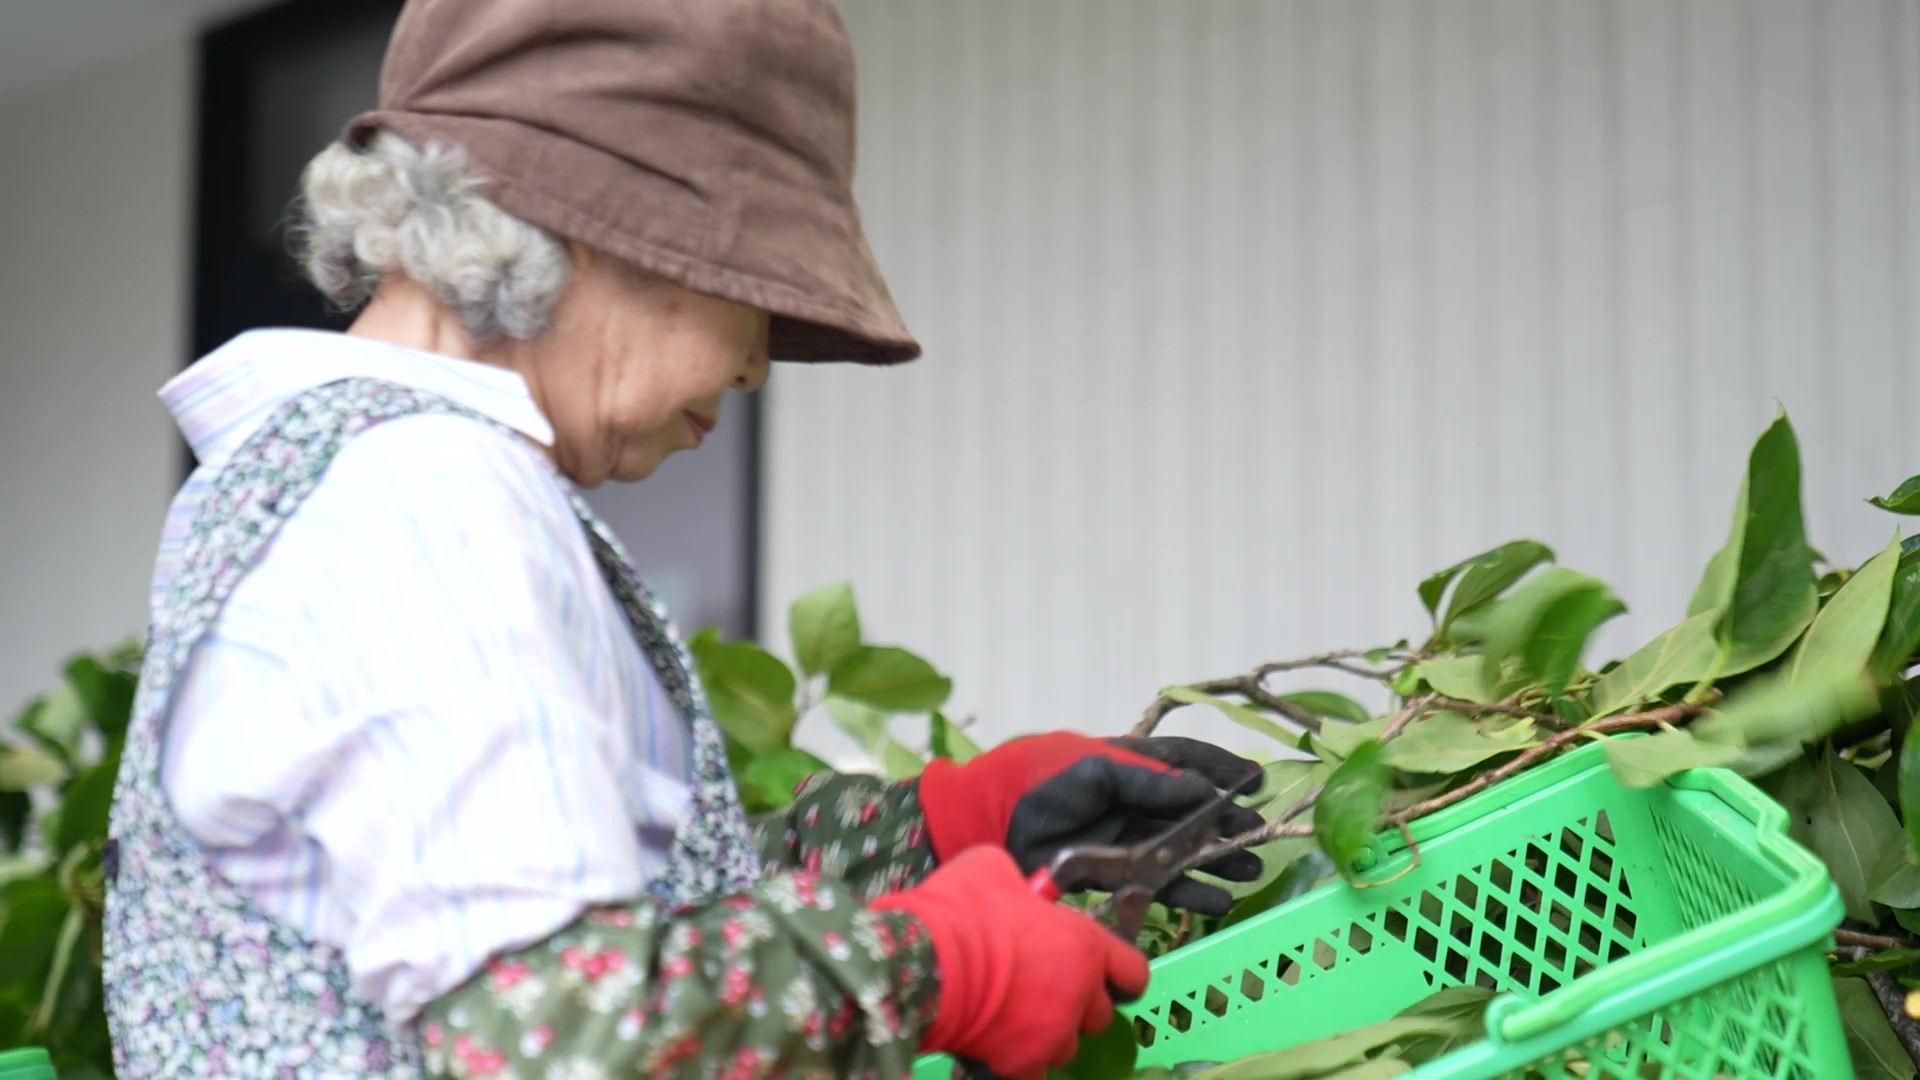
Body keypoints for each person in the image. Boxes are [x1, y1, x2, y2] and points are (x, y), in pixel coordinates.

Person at [100, 1, 1267, 1077]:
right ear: (595, 223)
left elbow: (590, 917)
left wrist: (941, 830)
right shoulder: (430, 500)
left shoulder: (318, 476)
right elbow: (561, 1025)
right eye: (752, 296)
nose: (756, 366)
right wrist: (938, 966)